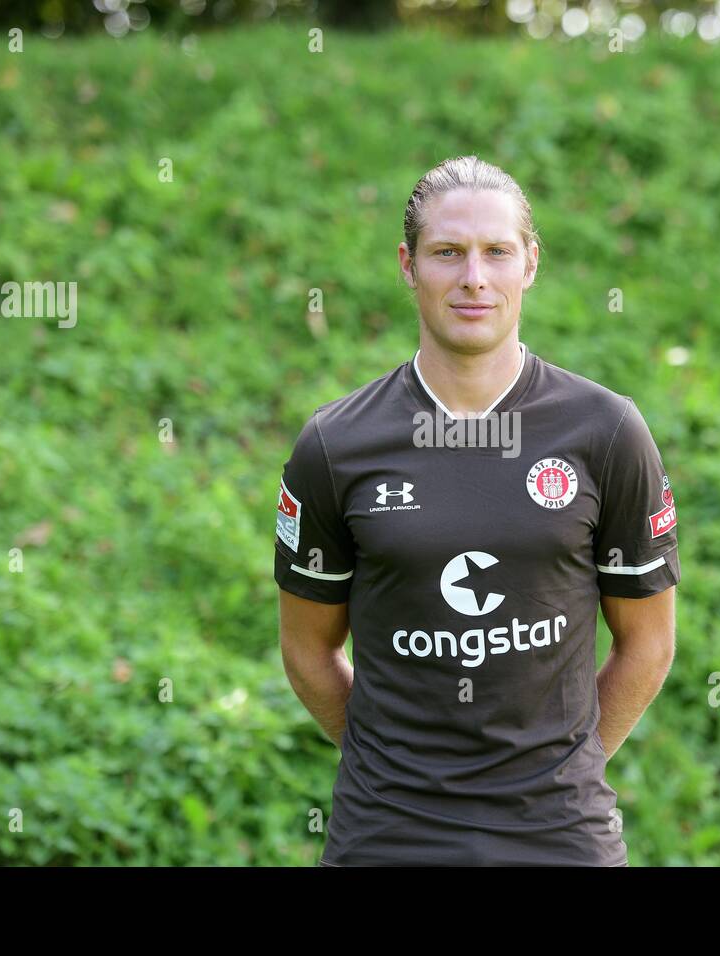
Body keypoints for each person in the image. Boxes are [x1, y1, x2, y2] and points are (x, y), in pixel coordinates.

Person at [275, 155, 679, 866]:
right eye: (447, 253)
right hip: (387, 833)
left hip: (559, 833)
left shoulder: (606, 431)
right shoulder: (336, 446)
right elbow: (308, 648)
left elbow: (647, 642)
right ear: (408, 265)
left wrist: (567, 767)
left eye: (496, 251)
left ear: (530, 263)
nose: (473, 277)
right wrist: (392, 772)